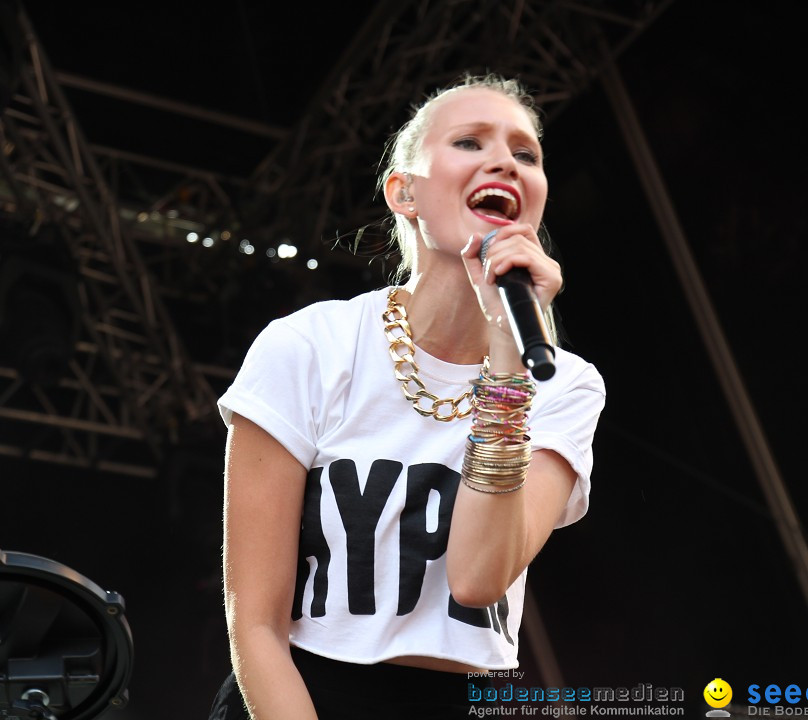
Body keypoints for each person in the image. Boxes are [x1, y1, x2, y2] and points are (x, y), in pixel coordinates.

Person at [209, 74, 605, 719]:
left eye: (525, 154)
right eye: (469, 142)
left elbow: (478, 578)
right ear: (405, 193)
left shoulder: (563, 382)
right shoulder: (311, 346)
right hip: (302, 693)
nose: (504, 160)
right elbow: (254, 622)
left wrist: (506, 354)